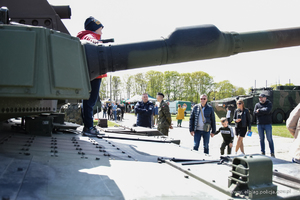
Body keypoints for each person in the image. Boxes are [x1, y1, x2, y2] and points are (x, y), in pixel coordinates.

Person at [77, 16, 107, 137]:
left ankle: (88, 126)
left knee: (89, 102)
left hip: (93, 73)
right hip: (95, 74)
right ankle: (88, 127)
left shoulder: (87, 35)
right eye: (100, 28)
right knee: (90, 102)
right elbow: (90, 40)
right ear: (94, 28)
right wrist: (97, 43)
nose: (102, 31)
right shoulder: (90, 36)